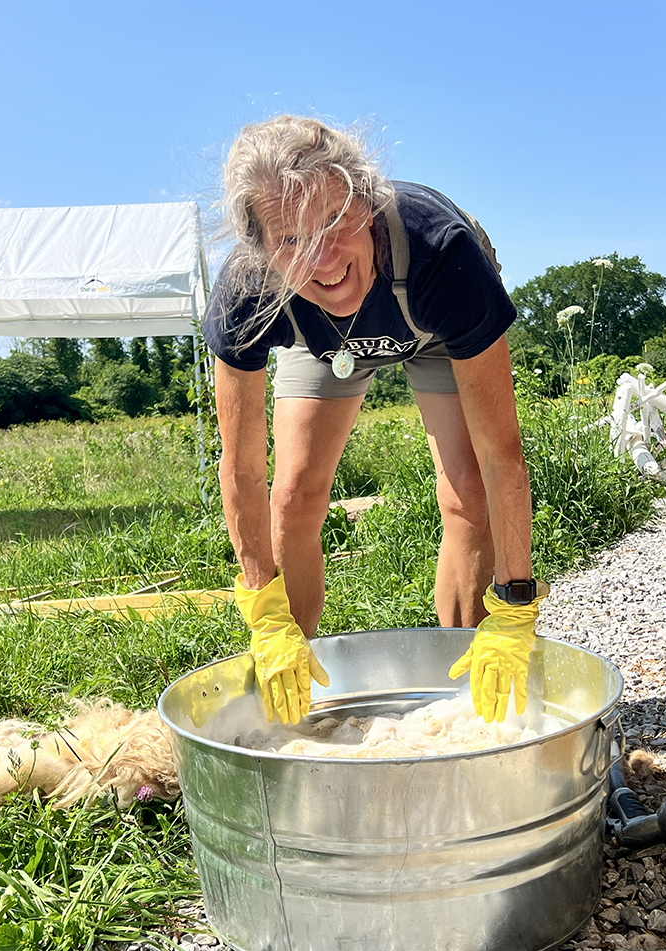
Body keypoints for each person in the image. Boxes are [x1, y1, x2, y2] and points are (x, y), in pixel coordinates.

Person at [203, 114, 542, 727]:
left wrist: (516, 602)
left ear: (366, 200)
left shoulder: (444, 254)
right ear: (262, 252)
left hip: (429, 323)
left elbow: (501, 455)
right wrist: (263, 613)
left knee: (468, 494)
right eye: (291, 241)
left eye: (334, 222)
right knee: (294, 497)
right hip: (313, 335)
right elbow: (242, 466)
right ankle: (290, 696)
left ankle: (469, 704)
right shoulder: (246, 295)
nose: (324, 259)